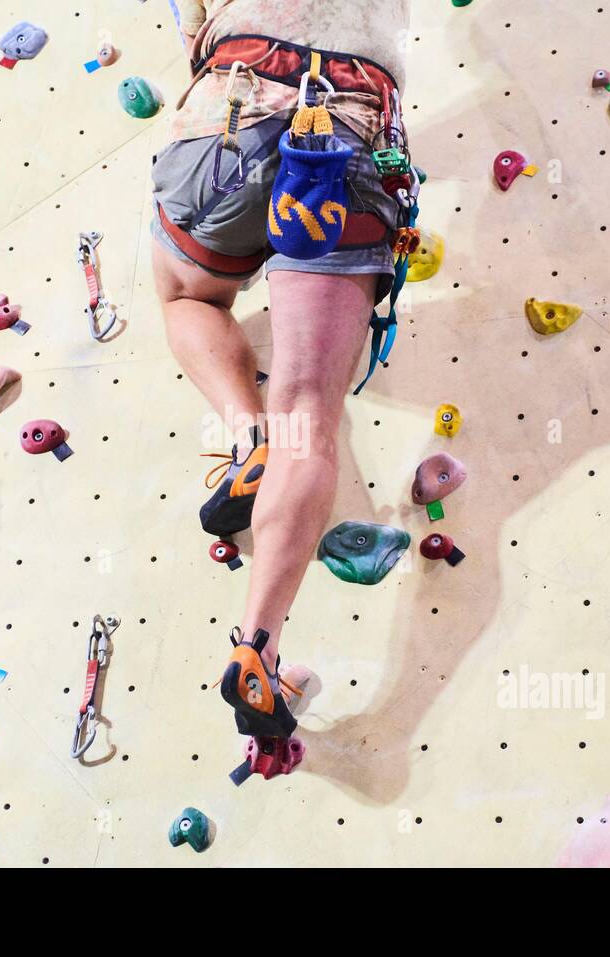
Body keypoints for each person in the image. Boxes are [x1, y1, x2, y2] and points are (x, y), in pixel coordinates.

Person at [152, 0, 414, 738]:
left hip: (228, 111)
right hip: (348, 125)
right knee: (307, 415)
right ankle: (257, 647)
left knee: (188, 299)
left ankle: (246, 435)